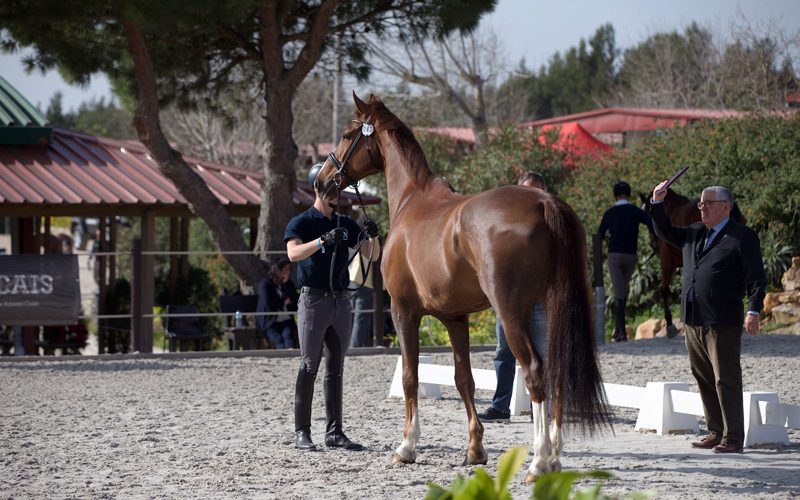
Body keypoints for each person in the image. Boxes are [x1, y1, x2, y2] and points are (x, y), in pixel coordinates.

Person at [650, 182, 765, 454]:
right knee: (702, 376)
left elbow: (756, 278)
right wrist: (656, 203)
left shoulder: (742, 236)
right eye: (701, 203)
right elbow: (664, 231)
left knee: (726, 377)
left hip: (722, 318)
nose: (702, 207)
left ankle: (733, 437)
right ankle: (716, 432)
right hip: (693, 318)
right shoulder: (694, 233)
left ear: (726, 206)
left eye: (709, 203)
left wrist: (753, 310)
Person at [285, 163, 381, 451]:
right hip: (314, 301)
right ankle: (302, 431)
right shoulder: (301, 222)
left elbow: (372, 256)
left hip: (340, 302)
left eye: (336, 192)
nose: (333, 196)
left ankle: (335, 432)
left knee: (336, 367)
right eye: (328, 191)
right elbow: (292, 254)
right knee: (309, 364)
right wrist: (322, 240)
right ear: (316, 189)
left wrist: (373, 236)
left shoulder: (346, 223)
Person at [478, 171, 548, 423]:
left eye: (537, 191)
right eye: (527, 191)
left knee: (541, 354)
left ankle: (540, 407)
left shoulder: (549, 223)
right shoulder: (505, 225)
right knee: (503, 353)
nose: (531, 196)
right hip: (509, 302)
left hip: (538, 299)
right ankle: (500, 405)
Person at [598, 180, 654, 342]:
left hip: (614, 255)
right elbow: (650, 223)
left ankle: (620, 332)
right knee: (624, 290)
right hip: (631, 255)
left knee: (619, 292)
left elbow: (600, 234)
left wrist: (602, 249)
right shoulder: (635, 211)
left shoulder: (610, 213)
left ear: (615, 195)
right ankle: (620, 330)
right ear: (629, 194)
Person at [256, 258, 299, 349]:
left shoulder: (287, 284)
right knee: (278, 339)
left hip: (286, 319)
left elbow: (295, 298)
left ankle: (290, 357)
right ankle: (283, 357)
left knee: (288, 336)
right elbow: (268, 302)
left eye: (289, 269)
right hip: (270, 320)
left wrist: (286, 283)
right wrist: (284, 303)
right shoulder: (265, 284)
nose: (288, 272)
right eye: (285, 269)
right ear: (278, 270)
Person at [348, 247, 376, 348]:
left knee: (351, 314)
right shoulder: (363, 234)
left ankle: (349, 346)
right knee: (362, 316)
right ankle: (355, 347)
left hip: (349, 276)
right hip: (362, 276)